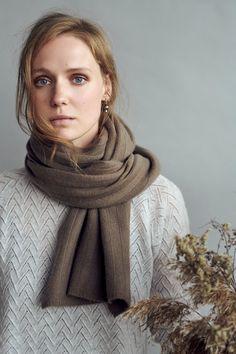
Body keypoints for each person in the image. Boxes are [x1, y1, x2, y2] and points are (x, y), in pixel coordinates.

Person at [0, 11, 189, 354]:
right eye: (43, 80)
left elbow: (176, 333)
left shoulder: (160, 199)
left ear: (107, 85)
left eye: (77, 78)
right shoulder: (3, 197)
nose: (59, 96)